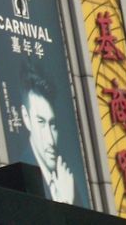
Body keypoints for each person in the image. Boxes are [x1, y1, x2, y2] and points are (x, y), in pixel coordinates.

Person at [19, 68, 86, 206]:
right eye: (41, 122)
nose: (50, 139)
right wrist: (65, 203)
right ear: (26, 118)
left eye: (53, 125)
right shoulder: (19, 177)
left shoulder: (68, 181)